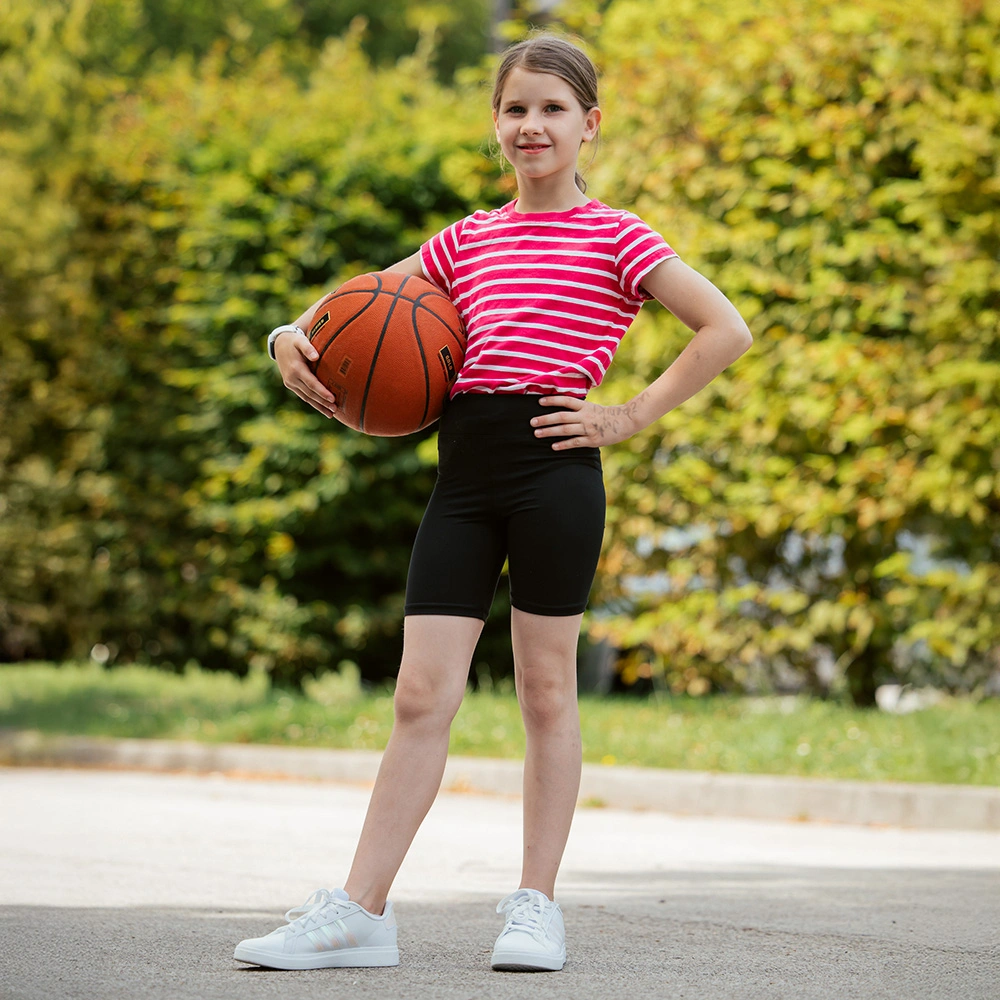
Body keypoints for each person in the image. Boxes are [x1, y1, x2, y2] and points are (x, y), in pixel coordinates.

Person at [237, 33, 752, 974]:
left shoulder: (618, 236)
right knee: (419, 693)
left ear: (590, 125)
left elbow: (725, 326)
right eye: (517, 108)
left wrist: (627, 416)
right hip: (464, 478)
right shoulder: (465, 239)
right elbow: (350, 305)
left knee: (546, 691)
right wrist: (285, 337)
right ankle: (360, 912)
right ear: (497, 123)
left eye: (554, 109)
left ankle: (535, 907)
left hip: (556, 472)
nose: (532, 125)